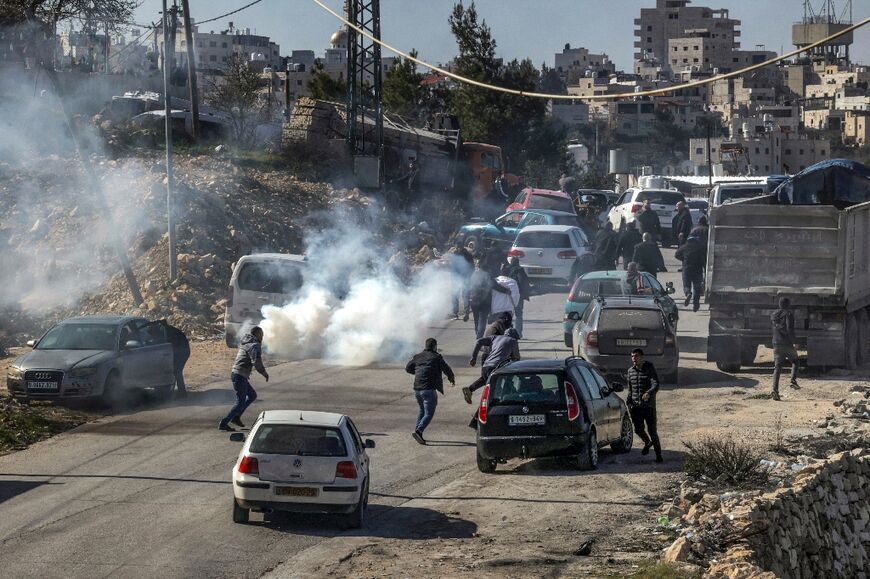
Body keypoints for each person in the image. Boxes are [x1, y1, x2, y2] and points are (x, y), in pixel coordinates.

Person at [405, 338, 455, 444]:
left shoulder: (418, 356)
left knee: (422, 410)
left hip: (417, 389)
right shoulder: (437, 357)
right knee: (429, 413)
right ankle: (419, 431)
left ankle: (417, 432)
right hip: (429, 389)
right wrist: (451, 379)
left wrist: (418, 371)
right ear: (435, 346)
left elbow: (408, 368)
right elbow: (446, 369)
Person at [219, 326, 269, 431]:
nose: (262, 337)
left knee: (252, 395)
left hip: (238, 374)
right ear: (257, 334)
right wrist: (264, 373)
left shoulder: (246, 342)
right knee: (240, 401)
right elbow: (257, 362)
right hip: (239, 375)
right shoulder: (254, 345)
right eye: (262, 335)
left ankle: (236, 417)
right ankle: (224, 422)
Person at [463, 328, 521, 405]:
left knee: (485, 379)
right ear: (514, 336)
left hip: (486, 365)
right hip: (496, 368)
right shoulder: (513, 341)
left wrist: (473, 358)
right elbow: (516, 358)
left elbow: (478, 341)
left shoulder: (494, 337)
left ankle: (470, 389)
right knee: (496, 395)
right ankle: (480, 414)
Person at [626, 348, 663, 463]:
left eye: (636, 356)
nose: (634, 359)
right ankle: (647, 442)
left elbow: (656, 384)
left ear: (642, 357)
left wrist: (648, 393)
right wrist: (628, 402)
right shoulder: (630, 371)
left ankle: (658, 455)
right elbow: (630, 389)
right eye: (632, 356)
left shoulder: (649, 369)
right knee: (638, 430)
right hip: (636, 407)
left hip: (648, 407)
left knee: (652, 431)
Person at [468, 259, 511, 339]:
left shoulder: (474, 274)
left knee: (476, 319)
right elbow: (494, 285)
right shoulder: (487, 275)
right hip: (484, 301)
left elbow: (469, 287)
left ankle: (477, 335)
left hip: (473, 300)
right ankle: (479, 338)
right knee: (482, 320)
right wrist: (505, 290)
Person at [771, 297, 800, 401]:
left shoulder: (774, 314)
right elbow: (789, 329)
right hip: (786, 343)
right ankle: (793, 381)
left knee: (777, 367)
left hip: (776, 343)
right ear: (788, 305)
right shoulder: (789, 314)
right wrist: (795, 342)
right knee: (796, 361)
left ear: (779, 304)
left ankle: (775, 391)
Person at [674, 230, 706, 312]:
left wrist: (684, 259)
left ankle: (688, 293)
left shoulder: (685, 246)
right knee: (697, 287)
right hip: (698, 269)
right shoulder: (700, 248)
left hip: (687, 268)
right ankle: (696, 304)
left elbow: (676, 254)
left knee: (686, 284)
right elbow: (704, 259)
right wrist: (704, 268)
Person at [505, 256, 531, 338]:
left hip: (508, 296)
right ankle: (518, 333)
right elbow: (525, 283)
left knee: (508, 315)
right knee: (519, 315)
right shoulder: (520, 270)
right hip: (518, 296)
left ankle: (507, 333)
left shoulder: (506, 269)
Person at [449, 242, 475, 321]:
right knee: (464, 296)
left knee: (458, 295)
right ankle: (463, 313)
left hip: (460, 278)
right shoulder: (468, 255)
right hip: (462, 278)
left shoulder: (457, 255)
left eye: (457, 247)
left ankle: (457, 314)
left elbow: (452, 267)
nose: (457, 248)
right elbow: (472, 267)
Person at [163, 321, 190, 399]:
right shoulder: (171, 330)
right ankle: (180, 391)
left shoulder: (169, 333)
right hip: (184, 350)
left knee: (177, 371)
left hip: (182, 352)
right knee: (177, 371)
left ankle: (182, 393)